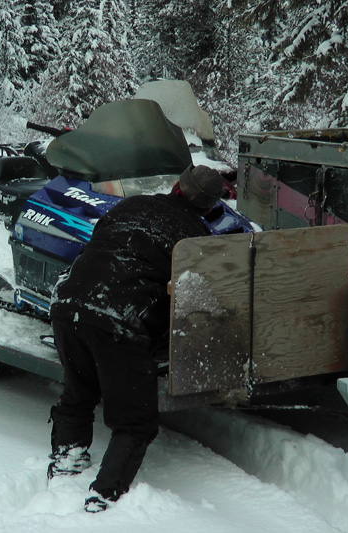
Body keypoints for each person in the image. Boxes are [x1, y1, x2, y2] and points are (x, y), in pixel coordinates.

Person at [47, 164, 224, 513]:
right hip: (119, 321)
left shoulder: (129, 206)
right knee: (134, 421)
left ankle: (66, 467)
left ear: (176, 186)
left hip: (68, 305)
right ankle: (104, 497)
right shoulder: (193, 238)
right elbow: (197, 298)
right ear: (209, 207)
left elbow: (98, 246)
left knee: (78, 392)